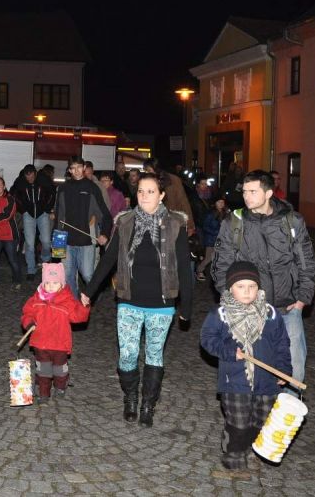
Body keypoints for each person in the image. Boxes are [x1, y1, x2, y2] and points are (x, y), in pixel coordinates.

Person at [82, 172, 193, 427]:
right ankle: (131, 397)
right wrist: (89, 290)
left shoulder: (175, 224)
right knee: (128, 355)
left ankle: (148, 404)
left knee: (154, 355)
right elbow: (109, 259)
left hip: (162, 304)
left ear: (161, 195)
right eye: (141, 191)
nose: (144, 196)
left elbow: (184, 268)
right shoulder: (125, 222)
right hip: (129, 300)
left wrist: (186, 306)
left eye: (151, 191)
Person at [211, 170, 315, 397]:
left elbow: (306, 261)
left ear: (269, 193)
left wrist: (302, 298)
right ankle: (254, 414)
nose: (246, 196)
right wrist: (230, 298)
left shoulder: (291, 221)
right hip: (249, 310)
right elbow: (221, 264)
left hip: (287, 308)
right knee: (250, 370)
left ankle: (286, 415)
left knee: (293, 371)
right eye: (245, 191)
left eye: (253, 191)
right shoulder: (234, 222)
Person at [200, 261, 291, 470]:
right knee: (239, 421)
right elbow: (207, 339)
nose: (247, 291)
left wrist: (284, 370)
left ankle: (251, 449)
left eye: (252, 286)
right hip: (235, 379)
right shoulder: (221, 314)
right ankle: (234, 453)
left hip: (267, 380)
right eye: (240, 286)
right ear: (230, 288)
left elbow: (281, 343)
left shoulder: (270, 314)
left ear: (259, 287)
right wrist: (228, 352)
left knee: (262, 420)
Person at [20, 263, 90, 403]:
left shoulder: (68, 301)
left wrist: (84, 306)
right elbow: (27, 313)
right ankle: (43, 394)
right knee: (43, 370)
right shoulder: (36, 299)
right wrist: (28, 323)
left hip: (60, 344)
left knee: (60, 370)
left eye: (55, 283)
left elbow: (78, 317)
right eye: (47, 283)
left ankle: (61, 386)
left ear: (62, 284)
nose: (51, 286)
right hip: (41, 343)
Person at [53, 156, 112, 296]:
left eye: (79, 167)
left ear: (84, 167)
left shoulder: (92, 188)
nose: (76, 171)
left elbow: (105, 214)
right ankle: (74, 303)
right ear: (69, 170)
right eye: (73, 168)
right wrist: (56, 244)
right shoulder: (63, 188)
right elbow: (59, 216)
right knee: (67, 275)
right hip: (66, 239)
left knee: (87, 274)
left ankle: (89, 298)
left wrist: (104, 233)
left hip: (87, 240)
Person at [14, 165, 55, 280]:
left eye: (32, 177)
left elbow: (52, 193)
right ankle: (31, 269)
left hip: (43, 214)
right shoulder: (20, 181)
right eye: (28, 177)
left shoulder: (43, 179)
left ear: (35, 174)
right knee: (30, 244)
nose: (30, 179)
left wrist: (47, 209)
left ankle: (45, 260)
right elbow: (14, 195)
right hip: (28, 215)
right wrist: (23, 210)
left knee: (46, 241)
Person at [143, 157, 195, 235]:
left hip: (172, 222)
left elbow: (183, 202)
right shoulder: (146, 182)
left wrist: (190, 224)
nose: (147, 173)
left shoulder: (173, 180)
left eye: (149, 170)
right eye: (146, 171)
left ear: (156, 169)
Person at [195, 198, 227, 281]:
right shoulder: (210, 214)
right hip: (211, 240)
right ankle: (199, 270)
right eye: (219, 202)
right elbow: (205, 226)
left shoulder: (225, 213)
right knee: (209, 258)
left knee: (221, 256)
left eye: (222, 202)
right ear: (215, 203)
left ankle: (219, 273)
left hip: (221, 240)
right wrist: (216, 232)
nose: (221, 204)